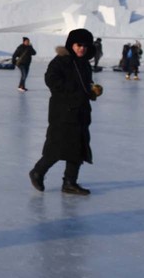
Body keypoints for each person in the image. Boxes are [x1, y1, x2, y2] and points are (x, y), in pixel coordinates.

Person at [28, 28, 102, 196]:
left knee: (78, 149)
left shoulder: (83, 63)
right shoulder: (61, 61)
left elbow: (85, 85)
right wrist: (73, 92)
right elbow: (51, 79)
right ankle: (37, 172)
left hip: (81, 112)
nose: (81, 48)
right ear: (71, 44)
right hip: (63, 111)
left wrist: (92, 91)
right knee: (57, 147)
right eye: (78, 45)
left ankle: (70, 182)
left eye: (85, 45)